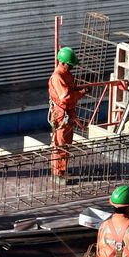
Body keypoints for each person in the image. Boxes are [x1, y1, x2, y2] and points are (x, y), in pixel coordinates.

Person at [48, 47, 87, 182]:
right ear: (63, 63)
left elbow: (70, 90)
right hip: (61, 115)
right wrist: (80, 93)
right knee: (60, 144)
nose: (72, 67)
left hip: (68, 113)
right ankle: (58, 174)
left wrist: (79, 89)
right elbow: (65, 97)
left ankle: (62, 170)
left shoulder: (67, 74)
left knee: (67, 143)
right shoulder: (57, 77)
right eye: (70, 65)